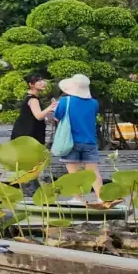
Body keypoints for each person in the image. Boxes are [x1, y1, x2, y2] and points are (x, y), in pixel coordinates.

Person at [50, 74, 104, 203]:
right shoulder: (94, 103)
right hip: (90, 141)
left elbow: (57, 117)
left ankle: (78, 198)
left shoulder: (65, 101)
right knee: (93, 173)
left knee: (73, 173)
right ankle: (101, 198)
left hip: (71, 141)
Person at [12, 75, 53, 141]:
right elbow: (39, 116)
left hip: (23, 132)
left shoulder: (28, 96)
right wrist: (50, 107)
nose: (43, 83)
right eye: (38, 81)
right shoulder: (33, 99)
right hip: (29, 134)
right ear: (31, 84)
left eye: (43, 80)